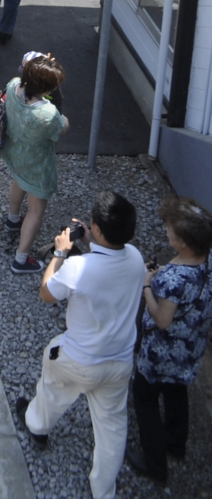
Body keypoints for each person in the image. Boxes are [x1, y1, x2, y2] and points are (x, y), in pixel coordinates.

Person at [16, 191, 146, 499]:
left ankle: (36, 426)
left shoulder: (78, 269)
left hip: (78, 359)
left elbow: (47, 293)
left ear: (98, 229)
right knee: (112, 427)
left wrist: (60, 253)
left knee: (52, 387)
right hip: (119, 363)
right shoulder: (137, 259)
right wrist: (91, 242)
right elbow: (111, 262)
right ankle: (103, 490)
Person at [129, 195, 212, 484]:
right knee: (177, 391)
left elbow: (162, 320)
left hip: (161, 354)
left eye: (170, 230)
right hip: (191, 346)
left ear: (183, 243)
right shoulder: (206, 262)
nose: (166, 231)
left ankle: (155, 463)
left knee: (145, 399)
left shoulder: (174, 279)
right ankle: (176, 443)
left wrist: (148, 285)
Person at [2, 52, 67, 272]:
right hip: (37, 165)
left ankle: (12, 219)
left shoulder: (13, 86)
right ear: (46, 88)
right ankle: (21, 260)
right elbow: (61, 129)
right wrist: (64, 119)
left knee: (18, 181)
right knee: (36, 210)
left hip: (14, 153)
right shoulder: (47, 113)